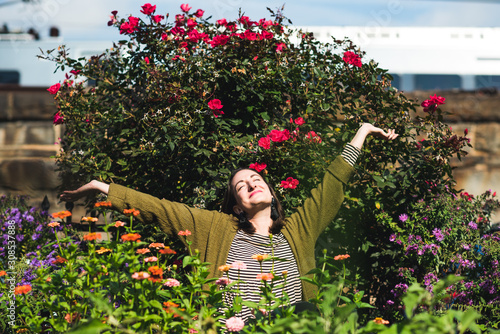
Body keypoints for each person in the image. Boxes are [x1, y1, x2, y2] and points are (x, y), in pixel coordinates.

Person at [60, 123, 398, 321]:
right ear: (237, 206)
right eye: (241, 185)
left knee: (308, 310)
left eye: (255, 178)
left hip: (287, 327)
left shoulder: (297, 231)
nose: (252, 183)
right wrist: (102, 186)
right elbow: (160, 209)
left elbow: (330, 188)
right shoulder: (217, 228)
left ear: (270, 191)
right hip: (233, 328)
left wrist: (362, 133)